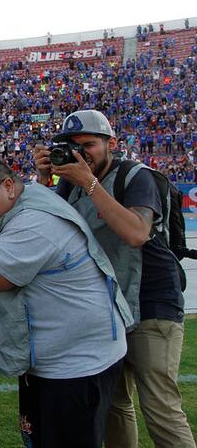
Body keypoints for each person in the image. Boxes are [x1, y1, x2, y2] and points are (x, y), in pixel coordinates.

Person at [0, 156, 131, 448]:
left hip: (76, 366)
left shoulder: (34, 222)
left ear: (9, 186)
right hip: (57, 358)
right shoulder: (25, 199)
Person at [33, 110, 195, 448]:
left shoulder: (135, 176)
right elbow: (39, 227)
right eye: (72, 146)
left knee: (160, 406)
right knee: (114, 406)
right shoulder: (70, 184)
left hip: (152, 303)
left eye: (89, 144)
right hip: (108, 309)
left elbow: (136, 233)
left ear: (112, 144)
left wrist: (88, 183)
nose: (81, 153)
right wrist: (41, 178)